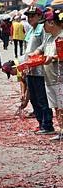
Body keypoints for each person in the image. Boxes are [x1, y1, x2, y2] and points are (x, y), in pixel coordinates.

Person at [23, 6, 55, 135]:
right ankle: (40, 123)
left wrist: (36, 56)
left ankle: (47, 124)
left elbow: (45, 46)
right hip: (30, 69)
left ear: (39, 16)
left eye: (33, 15)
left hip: (40, 70)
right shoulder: (31, 30)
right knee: (34, 99)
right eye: (28, 16)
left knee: (42, 99)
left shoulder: (43, 28)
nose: (30, 18)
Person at [32, 9, 63, 140]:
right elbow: (41, 48)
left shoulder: (61, 37)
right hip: (49, 79)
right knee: (55, 107)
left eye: (44, 23)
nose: (42, 26)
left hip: (60, 78)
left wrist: (54, 58)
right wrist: (35, 53)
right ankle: (61, 130)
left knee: (61, 107)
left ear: (51, 23)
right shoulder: (49, 38)